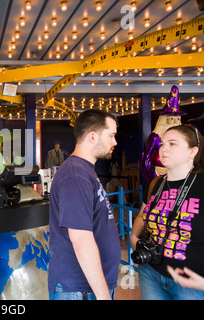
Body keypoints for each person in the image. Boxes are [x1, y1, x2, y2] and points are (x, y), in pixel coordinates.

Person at [48, 109, 120, 300]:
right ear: (92, 137)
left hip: (87, 288)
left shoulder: (84, 170)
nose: (115, 142)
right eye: (111, 135)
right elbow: (81, 239)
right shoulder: (75, 174)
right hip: (79, 290)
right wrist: (104, 296)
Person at [130, 125, 204, 300]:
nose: (163, 149)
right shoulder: (155, 184)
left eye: (172, 144)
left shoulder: (201, 185)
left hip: (191, 280)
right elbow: (143, 214)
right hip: (151, 272)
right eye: (163, 144)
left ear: (192, 151)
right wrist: (134, 237)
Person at [140, 85, 184, 184]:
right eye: (171, 119)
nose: (174, 122)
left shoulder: (182, 138)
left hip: (176, 171)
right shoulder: (155, 137)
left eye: (177, 119)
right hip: (158, 171)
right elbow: (146, 157)